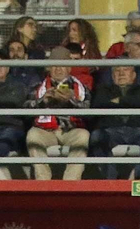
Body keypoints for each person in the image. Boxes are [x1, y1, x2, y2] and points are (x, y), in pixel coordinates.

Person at [27, 46, 90, 180]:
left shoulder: (80, 87)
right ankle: (43, 181)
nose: (58, 69)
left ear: (69, 68)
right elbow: (26, 109)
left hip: (70, 130)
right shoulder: (38, 85)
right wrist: (42, 101)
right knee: (32, 135)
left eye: (62, 65)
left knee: (84, 136)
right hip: (46, 131)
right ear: (49, 68)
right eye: (54, 65)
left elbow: (88, 112)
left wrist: (71, 100)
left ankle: (70, 182)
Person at [91, 62, 140, 178]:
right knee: (96, 136)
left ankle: (139, 174)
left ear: (134, 75)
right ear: (112, 76)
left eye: (126, 69)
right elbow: (99, 104)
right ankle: (110, 178)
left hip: (137, 129)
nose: (121, 73)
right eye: (117, 70)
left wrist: (118, 101)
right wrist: (130, 101)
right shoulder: (104, 89)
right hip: (112, 130)